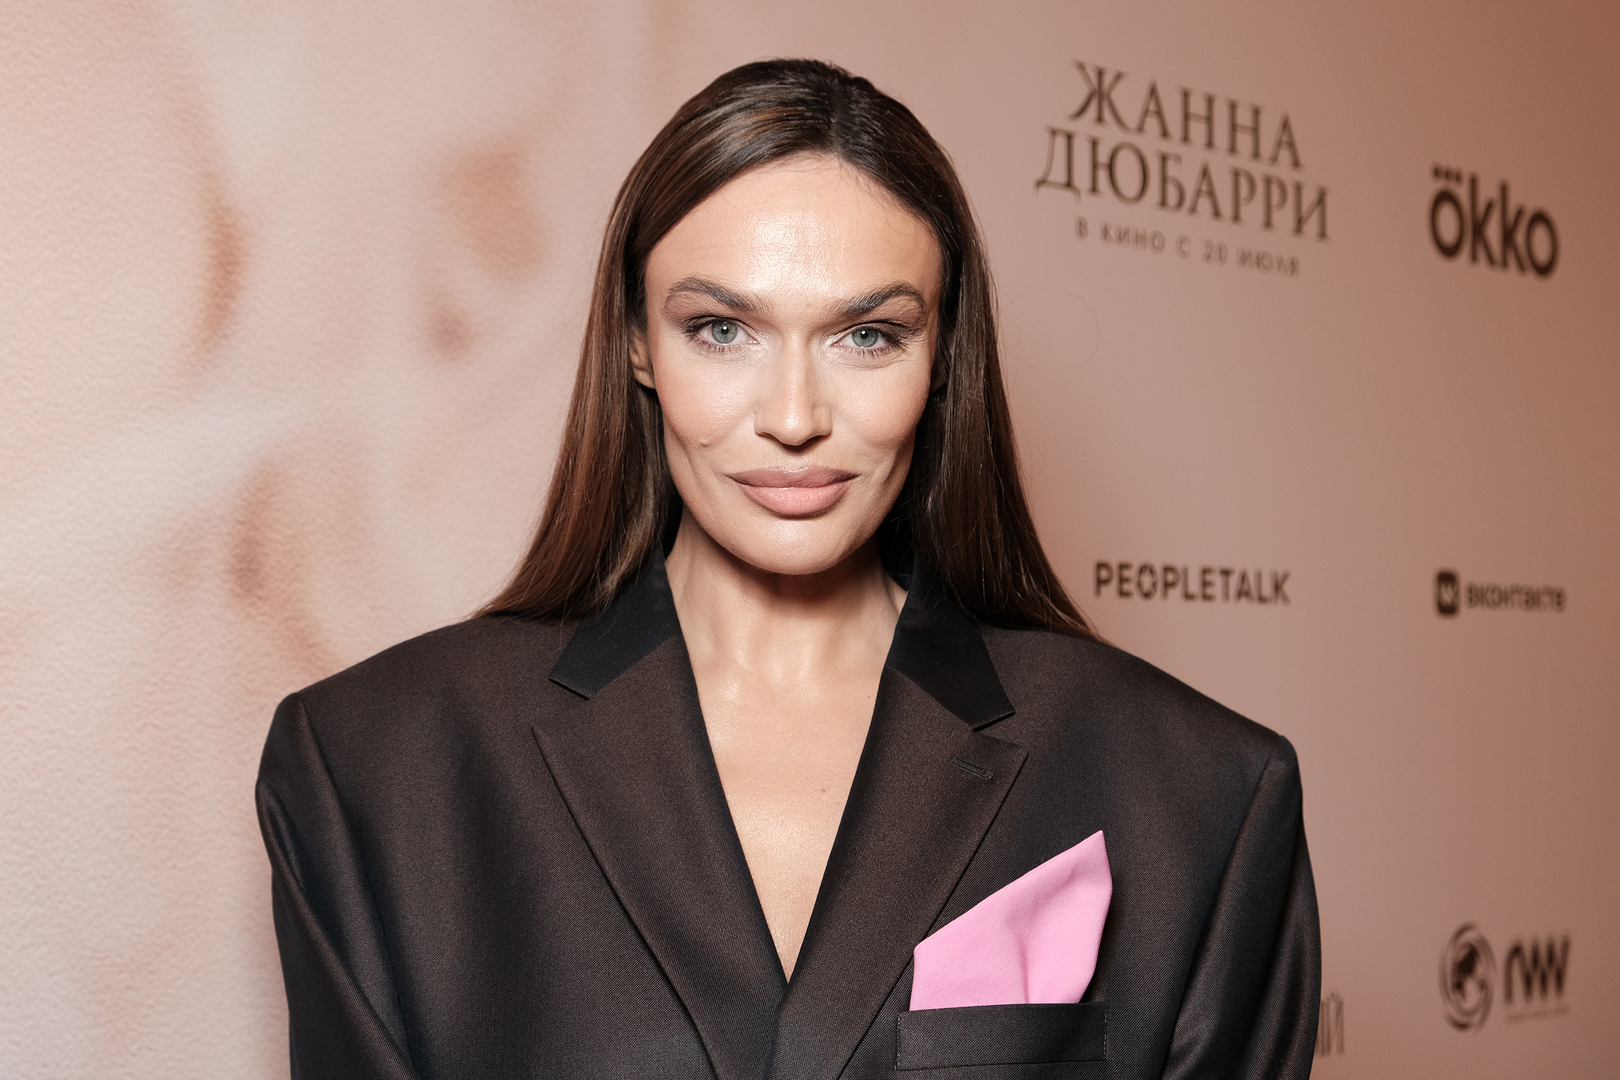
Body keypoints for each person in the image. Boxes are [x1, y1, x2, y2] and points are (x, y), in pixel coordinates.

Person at [257, 59, 1319, 1080]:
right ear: (637, 342)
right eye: (722, 329)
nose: (795, 417)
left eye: (869, 336)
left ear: (942, 354)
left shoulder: (1193, 792)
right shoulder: (377, 767)